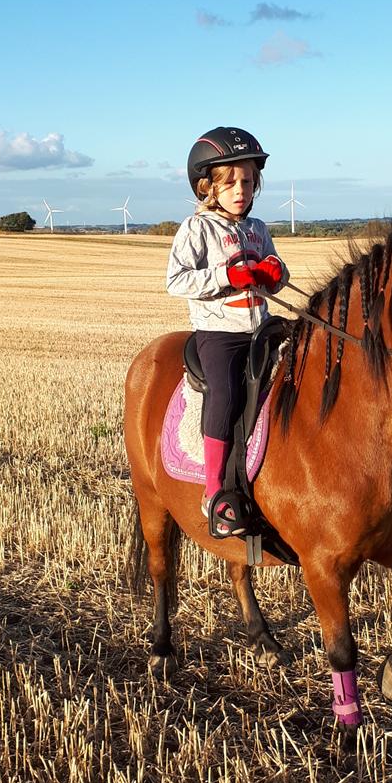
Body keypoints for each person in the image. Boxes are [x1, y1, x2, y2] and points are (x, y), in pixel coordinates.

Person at [166, 126, 289, 532]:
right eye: (230, 181)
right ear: (207, 186)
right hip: (220, 334)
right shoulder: (195, 229)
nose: (242, 190)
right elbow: (177, 281)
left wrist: (276, 273)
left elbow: (277, 273)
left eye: (249, 181)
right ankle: (215, 492)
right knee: (226, 392)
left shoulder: (258, 229)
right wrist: (225, 275)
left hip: (263, 329)